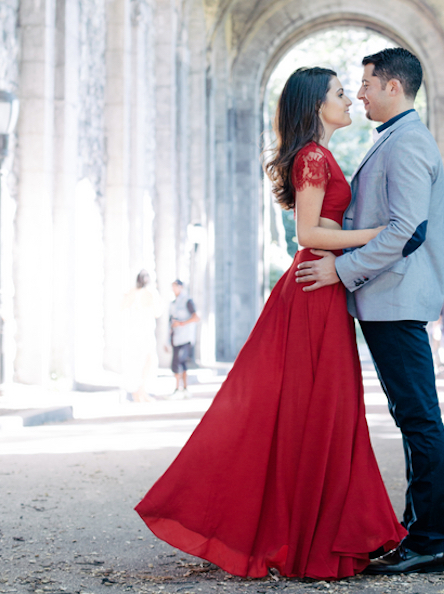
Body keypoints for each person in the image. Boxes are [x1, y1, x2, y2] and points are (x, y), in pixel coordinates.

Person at [135, 67, 405, 579]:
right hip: (312, 287)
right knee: (318, 411)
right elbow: (308, 231)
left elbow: (322, 224)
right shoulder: (311, 157)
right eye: (339, 93)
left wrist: (350, 234)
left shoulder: (320, 157)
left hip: (320, 286)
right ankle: (307, 540)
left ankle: (318, 535)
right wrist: (378, 234)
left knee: (326, 410)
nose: (349, 99)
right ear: (315, 104)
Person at [296, 47, 444, 575]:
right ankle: (416, 532)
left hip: (397, 299)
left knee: (419, 419)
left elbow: (406, 232)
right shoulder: (394, 139)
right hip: (385, 299)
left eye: (365, 84)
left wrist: (341, 270)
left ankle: (427, 541)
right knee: (411, 417)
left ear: (392, 87)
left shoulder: (406, 143)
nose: (359, 94)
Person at [121, 271, 164, 403]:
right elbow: (157, 313)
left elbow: (123, 306)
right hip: (146, 331)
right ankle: (141, 391)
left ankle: (137, 392)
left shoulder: (132, 292)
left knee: (136, 361)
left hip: (133, 330)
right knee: (148, 361)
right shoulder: (151, 293)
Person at [169, 279, 200, 399]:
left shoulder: (187, 301)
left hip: (185, 337)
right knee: (177, 363)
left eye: (175, 287)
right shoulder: (173, 303)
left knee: (181, 362)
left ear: (180, 287)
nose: (173, 289)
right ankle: (181, 389)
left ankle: (182, 389)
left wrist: (182, 323)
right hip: (176, 338)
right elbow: (171, 322)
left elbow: (196, 317)